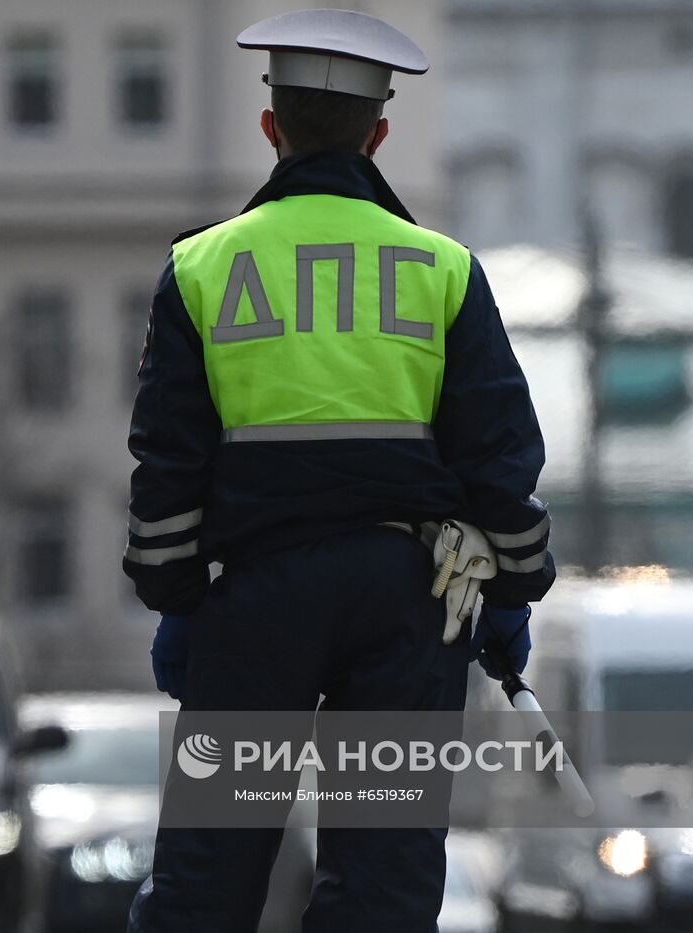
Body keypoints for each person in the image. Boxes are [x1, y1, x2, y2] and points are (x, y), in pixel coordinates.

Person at [122, 9, 554, 933]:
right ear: (380, 135)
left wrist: (178, 600)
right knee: (382, 890)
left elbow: (168, 463)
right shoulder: (443, 270)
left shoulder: (201, 269)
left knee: (207, 881)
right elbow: (499, 453)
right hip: (407, 603)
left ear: (271, 126)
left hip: (256, 603)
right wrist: (512, 590)